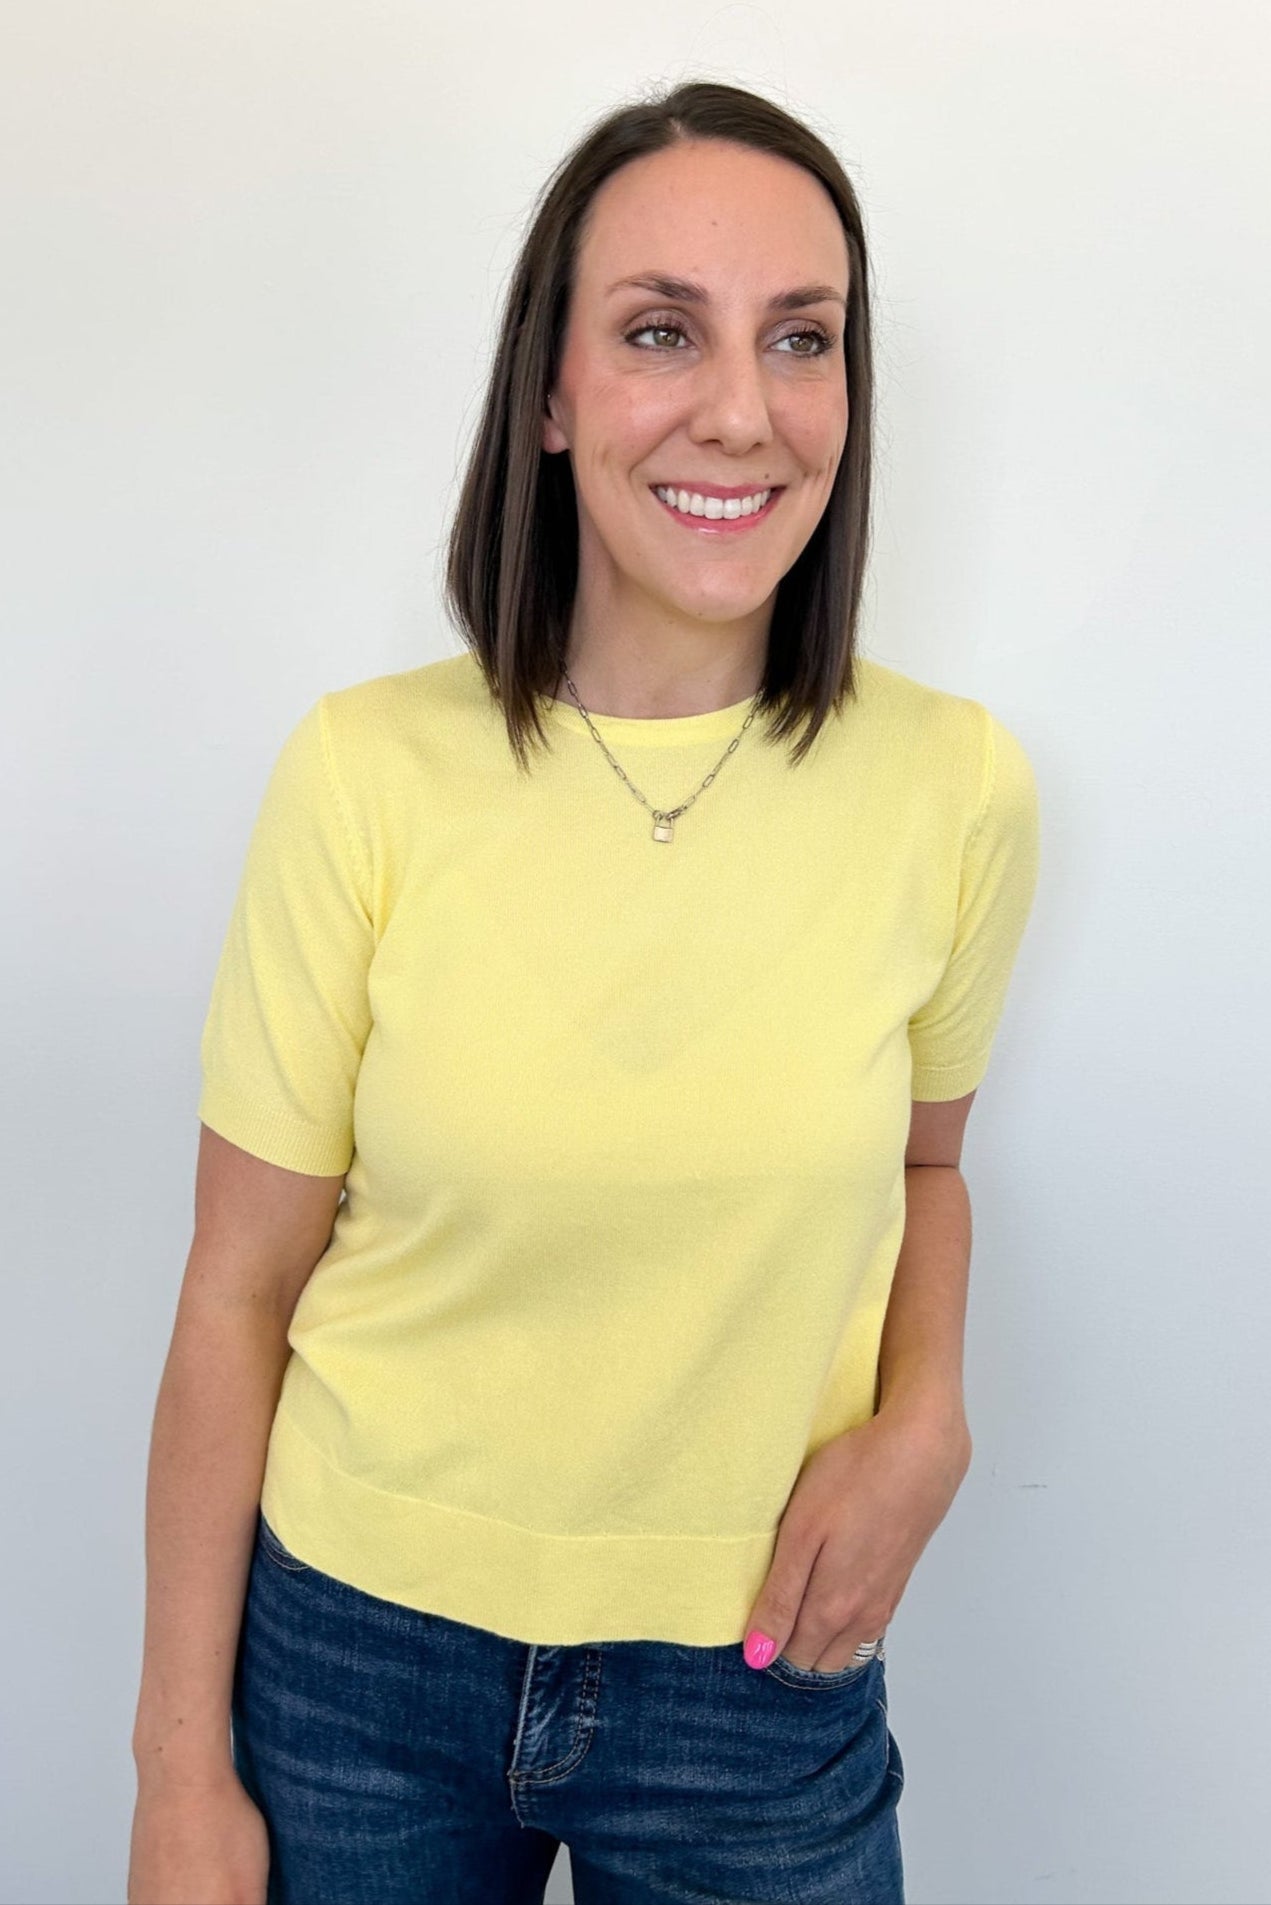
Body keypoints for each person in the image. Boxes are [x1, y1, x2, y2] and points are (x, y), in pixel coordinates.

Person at [127, 79, 1040, 1905]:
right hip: (356, 1661)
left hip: (759, 1674)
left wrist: (927, 1417)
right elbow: (237, 1287)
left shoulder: (956, 790)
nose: (741, 409)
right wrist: (177, 1770)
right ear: (548, 393)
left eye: (802, 338)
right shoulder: (364, 773)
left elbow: (926, 1168)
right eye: (659, 332)